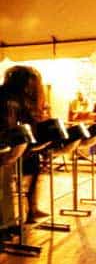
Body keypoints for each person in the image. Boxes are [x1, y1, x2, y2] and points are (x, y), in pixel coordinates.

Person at [0, 65, 49, 226]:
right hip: (6, 144)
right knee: (4, 186)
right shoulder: (7, 96)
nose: (31, 88)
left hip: (11, 144)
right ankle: (6, 223)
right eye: (29, 83)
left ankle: (9, 223)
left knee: (7, 186)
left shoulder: (18, 98)